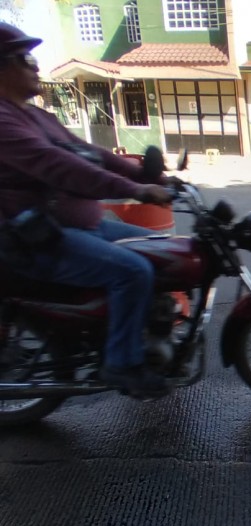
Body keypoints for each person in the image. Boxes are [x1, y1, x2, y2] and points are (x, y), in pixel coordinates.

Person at [0, 23, 174, 398]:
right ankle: (122, 363)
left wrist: (149, 175)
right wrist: (135, 190)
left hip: (82, 226)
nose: (35, 67)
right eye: (25, 58)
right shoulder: (3, 120)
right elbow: (58, 166)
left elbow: (91, 154)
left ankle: (142, 331)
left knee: (162, 248)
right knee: (133, 271)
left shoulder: (36, 115)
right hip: (33, 237)